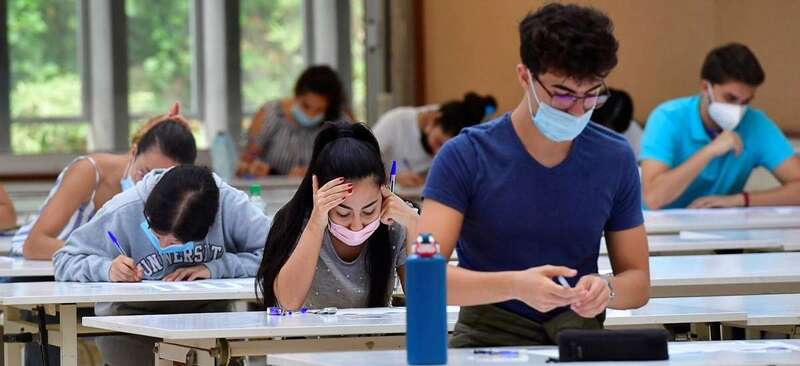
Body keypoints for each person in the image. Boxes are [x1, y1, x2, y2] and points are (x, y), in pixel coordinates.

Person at [416, 3, 650, 347]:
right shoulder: (465, 156)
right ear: (525, 76)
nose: (577, 109)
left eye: (591, 95)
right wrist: (514, 285)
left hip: (579, 339)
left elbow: (638, 281)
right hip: (487, 340)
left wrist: (607, 289)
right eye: (563, 94)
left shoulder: (614, 157)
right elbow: (425, 280)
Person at [53, 165, 270, 366]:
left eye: (175, 242)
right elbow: (64, 260)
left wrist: (218, 267)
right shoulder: (123, 209)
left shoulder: (230, 205)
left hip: (207, 323)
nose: (163, 245)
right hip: (132, 327)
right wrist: (107, 268)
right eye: (156, 234)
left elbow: (279, 254)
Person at [256, 122, 417, 310]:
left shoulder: (394, 223)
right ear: (319, 192)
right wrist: (316, 224)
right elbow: (288, 302)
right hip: (307, 339)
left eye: (368, 211)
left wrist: (414, 223)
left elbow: (424, 301)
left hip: (374, 339)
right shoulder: (297, 222)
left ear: (384, 191)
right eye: (343, 212)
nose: (357, 226)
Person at [11, 103, 196, 260]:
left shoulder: (172, 192)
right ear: (133, 152)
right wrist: (109, 257)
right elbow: (35, 245)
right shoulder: (89, 171)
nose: (149, 182)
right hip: (33, 266)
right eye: (145, 172)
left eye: (161, 179)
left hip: (93, 273)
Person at [641, 43, 800, 209]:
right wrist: (710, 151)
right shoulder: (667, 118)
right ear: (705, 88)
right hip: (661, 228)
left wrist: (741, 199)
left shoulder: (755, 123)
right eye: (730, 98)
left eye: (746, 102)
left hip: (720, 227)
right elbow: (653, 197)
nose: (738, 109)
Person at [237, 65, 352, 178]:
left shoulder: (339, 120)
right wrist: (261, 170)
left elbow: (356, 165)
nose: (311, 114)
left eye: (319, 110)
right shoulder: (271, 114)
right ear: (297, 95)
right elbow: (244, 163)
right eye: (306, 106)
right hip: (273, 192)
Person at [373, 92, 497, 187]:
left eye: (444, 149)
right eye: (438, 142)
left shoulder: (457, 133)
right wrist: (391, 177)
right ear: (434, 119)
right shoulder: (396, 122)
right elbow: (358, 162)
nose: (437, 153)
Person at [591, 88, 643, 159]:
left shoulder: (634, 132)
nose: (608, 132)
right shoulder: (584, 124)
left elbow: (640, 161)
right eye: (605, 125)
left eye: (612, 129)